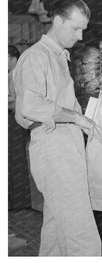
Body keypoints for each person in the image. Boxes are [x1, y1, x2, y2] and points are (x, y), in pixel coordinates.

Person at [13, 0, 102, 256]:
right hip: (54, 145)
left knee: (57, 230)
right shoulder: (36, 57)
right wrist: (75, 117)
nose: (80, 36)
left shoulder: (59, 57)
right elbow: (31, 105)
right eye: (75, 28)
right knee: (83, 237)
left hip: (64, 143)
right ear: (58, 20)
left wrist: (84, 121)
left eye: (83, 30)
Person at [8, 45, 31, 210]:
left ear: (12, 58)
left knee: (17, 159)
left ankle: (20, 202)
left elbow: (19, 101)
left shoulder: (20, 74)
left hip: (17, 122)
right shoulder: (10, 74)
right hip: (11, 120)